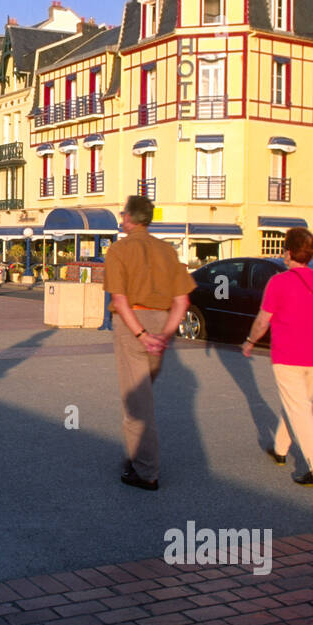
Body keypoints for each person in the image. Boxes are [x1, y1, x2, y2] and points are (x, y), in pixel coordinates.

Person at [102, 195, 195, 492]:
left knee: (137, 403)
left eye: (123, 214)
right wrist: (165, 334)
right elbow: (183, 301)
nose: (121, 218)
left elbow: (120, 299)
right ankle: (138, 455)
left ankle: (146, 471)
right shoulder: (168, 251)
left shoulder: (118, 250)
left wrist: (141, 334)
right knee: (144, 393)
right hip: (161, 322)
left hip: (134, 325)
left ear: (130, 218)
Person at [242, 227, 313, 487]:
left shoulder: (278, 282)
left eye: (284, 249)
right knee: (299, 404)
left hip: (289, 356)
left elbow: (263, 320)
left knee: (300, 409)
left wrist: (250, 341)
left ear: (288, 252)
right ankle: (279, 449)